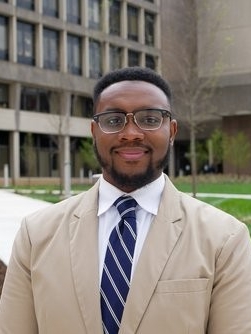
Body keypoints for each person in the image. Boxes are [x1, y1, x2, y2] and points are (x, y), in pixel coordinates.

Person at [0, 67, 251, 334]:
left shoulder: (224, 239)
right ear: (94, 131)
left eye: (150, 119)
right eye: (113, 120)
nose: (131, 133)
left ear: (172, 131)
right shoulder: (36, 235)